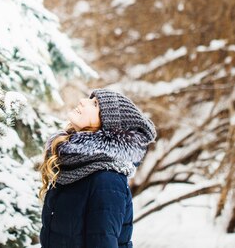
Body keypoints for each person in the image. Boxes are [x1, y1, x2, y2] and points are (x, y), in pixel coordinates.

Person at [38, 88, 157, 248]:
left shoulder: (107, 181)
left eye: (95, 104)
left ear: (108, 126)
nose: (82, 101)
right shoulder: (72, 166)